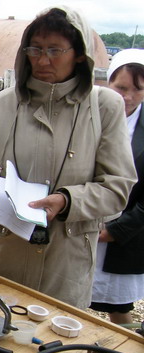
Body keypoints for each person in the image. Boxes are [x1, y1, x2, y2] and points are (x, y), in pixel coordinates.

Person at [0, 7, 136, 309]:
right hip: (3, 252)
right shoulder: (0, 107)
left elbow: (117, 187)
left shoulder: (104, 107)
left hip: (66, 262)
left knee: (53, 344)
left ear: (80, 54)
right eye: (35, 49)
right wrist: (6, 201)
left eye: (54, 50)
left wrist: (67, 201)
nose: (42, 60)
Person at [90, 49, 144, 324]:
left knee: (119, 306)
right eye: (121, 87)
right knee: (62, 297)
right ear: (108, 83)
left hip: (124, 235)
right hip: (79, 224)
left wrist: (114, 231)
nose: (128, 96)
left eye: (138, 89)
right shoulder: (87, 115)